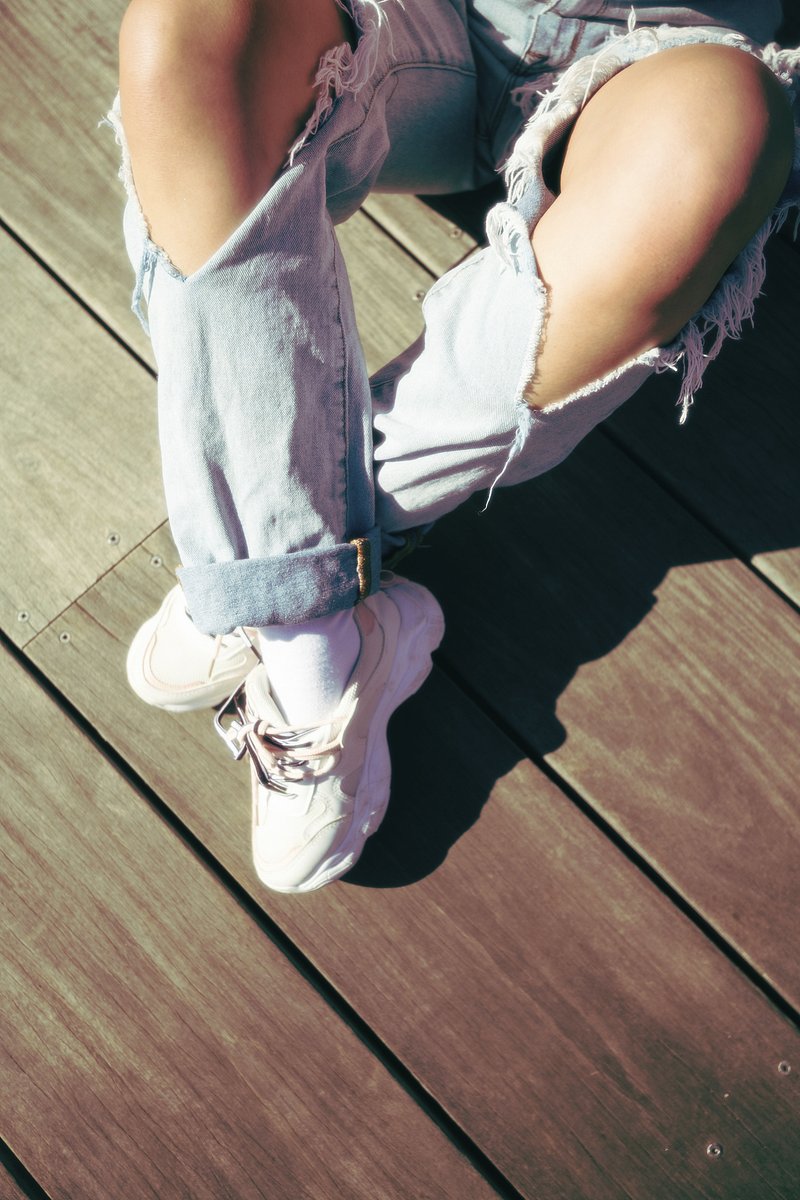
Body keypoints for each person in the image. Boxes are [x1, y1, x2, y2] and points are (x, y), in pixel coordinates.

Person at [110, 0, 799, 893]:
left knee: (718, 134)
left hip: (667, 53)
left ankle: (272, 586)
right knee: (190, 26)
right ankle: (310, 624)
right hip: (429, 17)